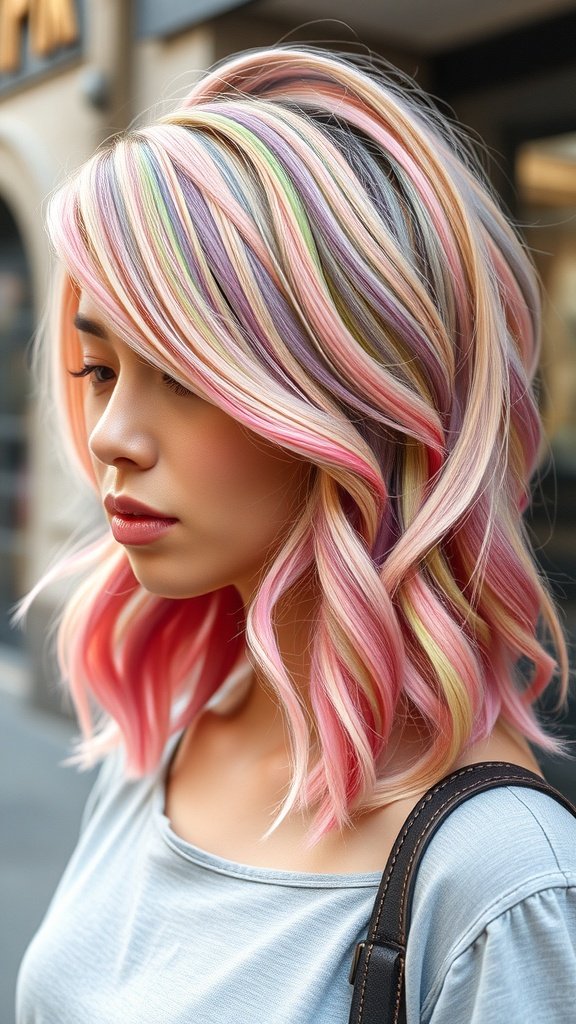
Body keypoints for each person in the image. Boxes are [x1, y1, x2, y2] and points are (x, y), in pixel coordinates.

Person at [14, 44, 576, 1023]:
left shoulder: (503, 888)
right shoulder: (171, 732)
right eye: (101, 371)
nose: (109, 436)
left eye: (184, 374)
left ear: (355, 397)